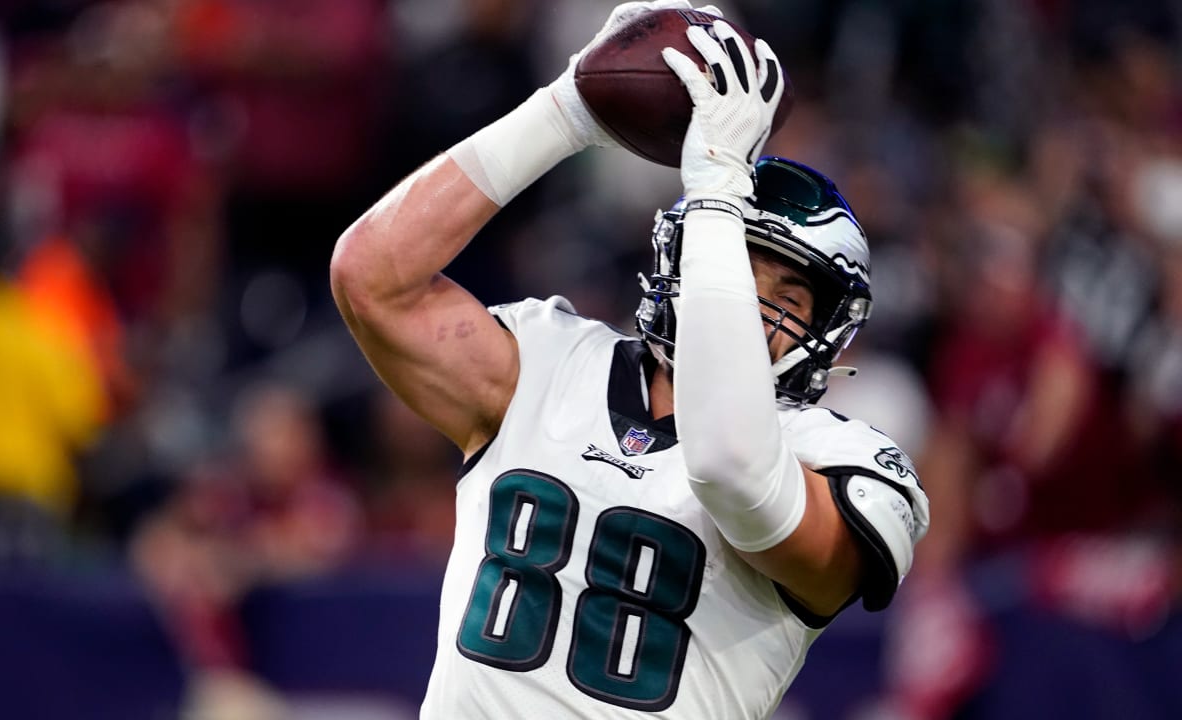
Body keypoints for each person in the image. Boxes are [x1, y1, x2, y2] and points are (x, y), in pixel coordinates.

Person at [330, 2, 930, 718]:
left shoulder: (843, 456)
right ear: (679, 260)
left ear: (831, 329)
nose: (750, 302)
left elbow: (733, 467)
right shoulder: (551, 362)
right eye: (741, 266)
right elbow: (373, 281)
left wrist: (716, 199)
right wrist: (565, 112)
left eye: (790, 293)